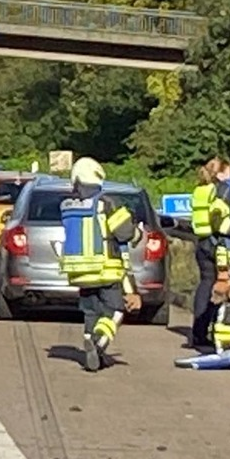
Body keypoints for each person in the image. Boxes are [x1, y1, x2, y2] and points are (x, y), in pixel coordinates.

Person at [57, 157, 142, 372]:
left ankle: (90, 342)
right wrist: (138, 233)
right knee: (115, 311)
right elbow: (125, 233)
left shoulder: (67, 206)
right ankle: (98, 342)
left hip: (80, 273)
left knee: (91, 312)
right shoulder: (107, 203)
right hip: (106, 270)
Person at [188, 158, 230, 350]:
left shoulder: (200, 190)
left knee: (205, 285)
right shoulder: (220, 190)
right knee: (222, 286)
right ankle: (217, 330)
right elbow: (219, 217)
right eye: (228, 172)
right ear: (219, 174)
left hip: (202, 242)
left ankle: (199, 332)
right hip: (218, 242)